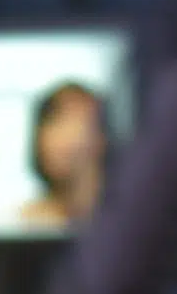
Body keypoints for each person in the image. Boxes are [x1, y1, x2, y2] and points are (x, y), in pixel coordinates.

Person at [18, 79, 109, 231]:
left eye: (82, 122)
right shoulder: (21, 224)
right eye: (57, 120)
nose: (69, 134)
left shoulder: (125, 224)